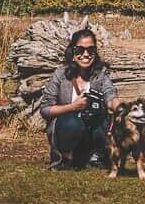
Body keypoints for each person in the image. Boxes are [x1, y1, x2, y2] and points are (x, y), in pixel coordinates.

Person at [40, 28, 120, 170]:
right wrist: (72, 107)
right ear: (72, 53)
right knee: (72, 122)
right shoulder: (60, 75)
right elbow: (45, 110)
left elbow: (110, 95)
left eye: (91, 50)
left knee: (107, 119)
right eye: (80, 50)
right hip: (67, 130)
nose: (86, 54)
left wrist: (119, 107)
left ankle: (95, 156)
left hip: (91, 133)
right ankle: (64, 158)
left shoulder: (100, 75)